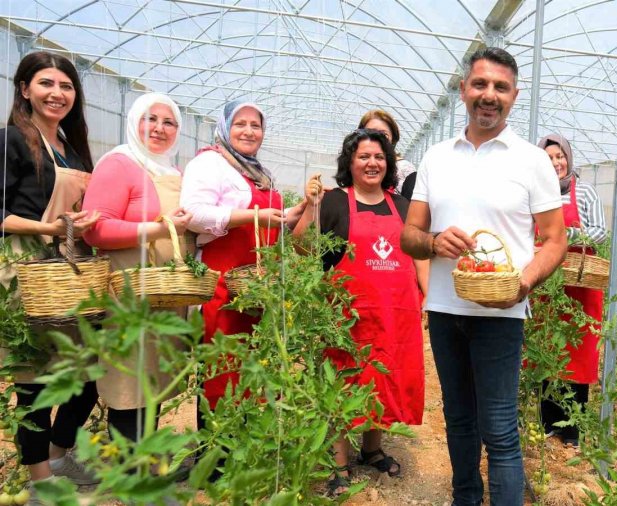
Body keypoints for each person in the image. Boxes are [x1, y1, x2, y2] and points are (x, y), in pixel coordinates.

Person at [400, 47, 567, 506]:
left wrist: (522, 284)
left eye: (500, 87)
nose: (488, 95)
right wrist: (434, 244)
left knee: (498, 428)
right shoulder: (437, 157)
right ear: (463, 90)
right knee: (458, 420)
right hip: (445, 308)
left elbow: (555, 240)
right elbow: (409, 235)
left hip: (501, 313)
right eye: (480, 85)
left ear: (514, 96)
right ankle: (465, 498)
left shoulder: (531, 161)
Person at [293, 128, 426, 497]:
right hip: (344, 314)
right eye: (364, 157)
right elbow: (303, 247)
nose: (372, 163)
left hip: (392, 313)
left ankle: (371, 449)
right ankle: (339, 464)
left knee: (382, 377)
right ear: (349, 163)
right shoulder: (335, 202)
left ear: (389, 163)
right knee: (342, 379)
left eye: (379, 157)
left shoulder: (401, 206)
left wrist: (427, 297)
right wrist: (311, 206)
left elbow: (417, 255)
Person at [0, 51, 100, 488]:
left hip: (70, 270)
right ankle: (40, 481)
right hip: (27, 270)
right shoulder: (12, 141)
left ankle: (60, 455)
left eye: (66, 86)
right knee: (36, 378)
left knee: (87, 373)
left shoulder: (72, 151)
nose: (57, 93)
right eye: (46, 83)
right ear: (25, 89)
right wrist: (48, 226)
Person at [181, 99, 307, 416]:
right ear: (225, 127)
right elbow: (193, 215)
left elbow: (273, 221)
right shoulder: (210, 163)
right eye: (240, 123)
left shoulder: (255, 171)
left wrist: (302, 207)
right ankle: (216, 460)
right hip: (223, 283)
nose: (249, 131)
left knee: (254, 367)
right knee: (223, 371)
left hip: (257, 285)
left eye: (256, 125)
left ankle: (246, 455)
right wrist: (252, 215)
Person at [82, 93, 193, 442]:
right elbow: (96, 230)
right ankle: (128, 469)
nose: (159, 128)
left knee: (153, 376)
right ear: (134, 122)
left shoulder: (172, 171)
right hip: (128, 290)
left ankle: (141, 458)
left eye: (169, 122)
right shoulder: (119, 163)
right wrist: (159, 229)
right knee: (129, 377)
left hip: (166, 292)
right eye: (150, 119)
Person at [535, 134, 607, 447]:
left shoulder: (585, 192)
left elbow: (601, 232)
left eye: (559, 156)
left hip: (580, 284)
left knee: (578, 355)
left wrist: (567, 234)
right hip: (547, 284)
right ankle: (548, 423)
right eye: (549, 158)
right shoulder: (535, 194)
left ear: (568, 158)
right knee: (546, 351)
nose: (556, 163)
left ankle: (572, 429)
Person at [357, 109, 417, 195]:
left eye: (384, 135)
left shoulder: (404, 169)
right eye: (370, 133)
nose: (377, 139)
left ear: (393, 139)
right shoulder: (356, 165)